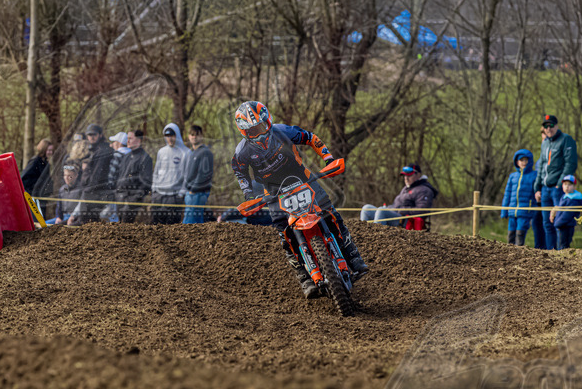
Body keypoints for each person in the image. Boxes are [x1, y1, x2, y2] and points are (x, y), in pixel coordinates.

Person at [231, 101, 369, 299]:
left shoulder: (283, 132)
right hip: (273, 192)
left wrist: (328, 159)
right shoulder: (242, 152)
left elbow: (311, 138)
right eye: (253, 131)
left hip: (304, 179)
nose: (259, 133)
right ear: (244, 132)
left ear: (268, 121)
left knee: (331, 214)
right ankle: (304, 277)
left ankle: (354, 258)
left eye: (261, 127)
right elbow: (240, 172)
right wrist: (249, 195)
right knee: (283, 234)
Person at [534, 114, 578, 250]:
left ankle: (561, 252)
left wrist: (560, 183)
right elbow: (541, 165)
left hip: (558, 188)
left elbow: (570, 164)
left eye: (551, 125)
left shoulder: (566, 140)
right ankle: (550, 252)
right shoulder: (545, 142)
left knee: (559, 222)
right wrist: (538, 187)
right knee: (547, 223)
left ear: (556, 126)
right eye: (546, 126)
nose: (548, 129)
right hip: (545, 189)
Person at [360, 164, 438, 228]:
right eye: (404, 176)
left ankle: (375, 240)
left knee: (381, 211)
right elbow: (397, 205)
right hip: (396, 214)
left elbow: (422, 210)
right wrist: (389, 208)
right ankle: (362, 239)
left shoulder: (424, 190)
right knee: (367, 208)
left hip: (406, 221)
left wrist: (402, 210)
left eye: (409, 176)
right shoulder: (406, 188)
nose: (406, 178)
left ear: (418, 175)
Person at [150, 123, 189, 224]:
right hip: (159, 195)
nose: (170, 139)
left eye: (172, 135)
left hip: (174, 196)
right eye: (167, 136)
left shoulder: (186, 152)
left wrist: (181, 193)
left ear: (177, 135)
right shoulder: (161, 152)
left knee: (172, 226)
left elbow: (187, 175)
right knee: (156, 225)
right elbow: (156, 172)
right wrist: (154, 190)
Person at [74, 124, 113, 224]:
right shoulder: (95, 149)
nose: (91, 137)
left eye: (94, 134)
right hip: (91, 192)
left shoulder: (103, 150)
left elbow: (97, 175)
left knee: (86, 223)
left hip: (96, 193)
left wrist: (87, 190)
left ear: (100, 135)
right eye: (89, 135)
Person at [500, 149, 538, 246]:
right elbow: (507, 194)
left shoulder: (534, 175)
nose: (524, 162)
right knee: (511, 235)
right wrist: (504, 210)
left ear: (530, 161)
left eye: (526, 160)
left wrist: (532, 209)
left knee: (520, 233)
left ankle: (519, 255)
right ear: (517, 162)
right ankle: (509, 254)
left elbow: (536, 192)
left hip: (525, 211)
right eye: (521, 160)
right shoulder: (512, 176)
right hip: (512, 211)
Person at [114, 129, 153, 223]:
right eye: (127, 138)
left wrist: (135, 198)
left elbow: (147, 181)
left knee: (128, 229)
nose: (127, 141)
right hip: (120, 199)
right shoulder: (126, 157)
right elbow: (119, 176)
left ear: (139, 140)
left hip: (133, 201)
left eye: (130, 138)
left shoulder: (145, 158)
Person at [182, 124, 213, 224]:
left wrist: (193, 190)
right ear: (188, 136)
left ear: (201, 136)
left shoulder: (205, 152)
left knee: (189, 223)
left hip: (198, 193)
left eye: (196, 134)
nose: (194, 137)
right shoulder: (192, 152)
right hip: (190, 192)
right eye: (192, 134)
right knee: (196, 224)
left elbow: (204, 175)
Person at [550, 174, 582, 250]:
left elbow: (567, 215)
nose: (567, 186)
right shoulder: (564, 197)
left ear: (575, 187)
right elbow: (560, 209)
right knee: (561, 244)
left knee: (563, 246)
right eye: (565, 184)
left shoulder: (574, 199)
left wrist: (557, 223)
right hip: (561, 225)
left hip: (566, 225)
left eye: (569, 184)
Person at [105, 132, 131, 222]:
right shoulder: (132, 155)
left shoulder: (117, 155)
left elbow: (111, 175)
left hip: (116, 192)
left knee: (114, 218)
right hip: (129, 193)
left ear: (119, 143)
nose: (113, 144)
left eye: (114, 142)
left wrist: (109, 188)